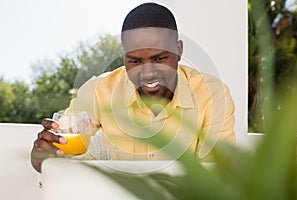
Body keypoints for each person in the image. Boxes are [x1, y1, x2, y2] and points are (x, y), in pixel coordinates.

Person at [31, 2, 236, 172]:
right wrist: (45, 156)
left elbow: (217, 178)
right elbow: (60, 150)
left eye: (159, 58)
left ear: (179, 50)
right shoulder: (99, 91)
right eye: (135, 61)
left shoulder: (213, 95)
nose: (147, 73)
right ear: (124, 56)